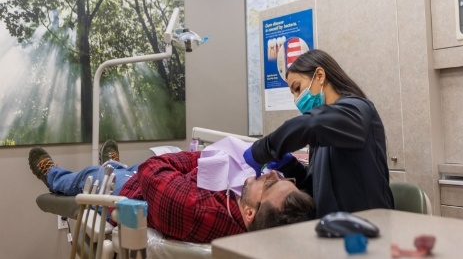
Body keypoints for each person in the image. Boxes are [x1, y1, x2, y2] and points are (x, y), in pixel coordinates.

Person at [29, 140, 315, 243]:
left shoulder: (196, 210)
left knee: (90, 176)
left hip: (131, 189)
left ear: (251, 212)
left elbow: (153, 169)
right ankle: (113, 160)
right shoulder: (250, 215)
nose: (269, 174)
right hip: (163, 180)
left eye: (270, 182)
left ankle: (52, 174)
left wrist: (208, 157)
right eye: (280, 175)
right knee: (127, 165)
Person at [244, 49, 394, 218]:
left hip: (367, 230)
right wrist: (288, 165)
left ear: (320, 75)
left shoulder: (358, 110)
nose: (296, 100)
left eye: (297, 88)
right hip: (332, 230)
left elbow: (311, 124)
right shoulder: (323, 132)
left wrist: (262, 149)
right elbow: (315, 188)